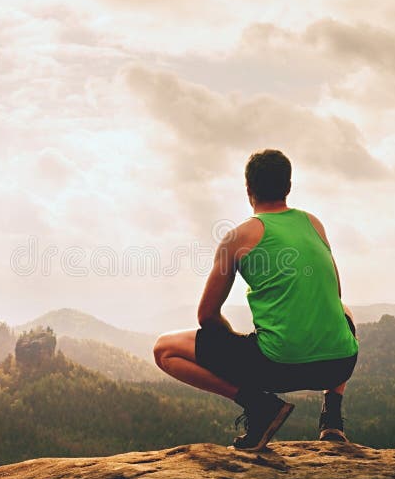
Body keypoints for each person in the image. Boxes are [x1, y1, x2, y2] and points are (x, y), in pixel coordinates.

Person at [153, 149, 359, 451]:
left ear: (248, 190)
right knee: (344, 310)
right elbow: (335, 293)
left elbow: (207, 316)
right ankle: (332, 419)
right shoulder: (314, 224)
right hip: (339, 365)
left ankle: (259, 406)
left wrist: (234, 342)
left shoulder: (238, 237)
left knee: (164, 349)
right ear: (288, 187)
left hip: (275, 367)